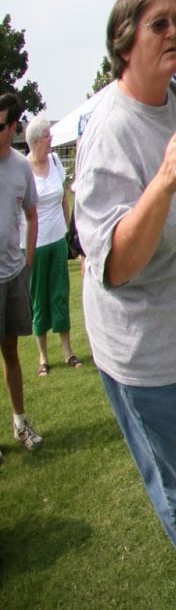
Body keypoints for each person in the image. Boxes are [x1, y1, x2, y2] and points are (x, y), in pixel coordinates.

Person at [75, 0, 176, 593]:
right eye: (159, 24)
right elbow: (115, 265)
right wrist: (163, 183)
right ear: (124, 42)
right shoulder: (107, 131)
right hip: (154, 360)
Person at [23, 118, 82, 374]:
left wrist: (69, 233)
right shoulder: (23, 169)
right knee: (39, 299)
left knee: (60, 294)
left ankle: (68, 352)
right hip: (34, 245)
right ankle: (43, 358)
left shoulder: (56, 161)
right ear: (35, 141)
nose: (51, 140)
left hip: (58, 240)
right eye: (47, 136)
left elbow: (63, 199)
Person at [0, 95, 42, 454]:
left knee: (11, 351)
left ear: (13, 127)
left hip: (13, 274)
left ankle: (19, 423)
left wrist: (27, 260)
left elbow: (32, 214)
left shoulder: (20, 167)